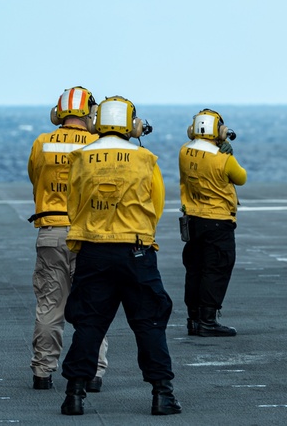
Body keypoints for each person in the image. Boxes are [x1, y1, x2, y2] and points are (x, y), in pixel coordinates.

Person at [59, 96, 181, 416]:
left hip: (93, 251)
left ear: (97, 122)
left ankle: (74, 393)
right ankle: (162, 394)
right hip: (136, 251)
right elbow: (156, 205)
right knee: (149, 323)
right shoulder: (145, 157)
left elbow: (73, 203)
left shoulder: (81, 157)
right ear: (132, 124)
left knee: (89, 324)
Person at [26, 86, 109, 392]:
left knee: (50, 305)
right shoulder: (97, 144)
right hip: (88, 235)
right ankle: (93, 373)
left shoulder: (42, 142)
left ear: (59, 113)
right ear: (90, 114)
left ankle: (42, 372)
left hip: (51, 233)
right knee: (93, 306)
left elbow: (35, 177)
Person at [178, 108, 247, 337]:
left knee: (195, 270)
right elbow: (241, 178)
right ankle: (208, 321)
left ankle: (194, 319)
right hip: (218, 221)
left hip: (194, 220)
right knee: (215, 269)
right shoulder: (223, 159)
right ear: (220, 131)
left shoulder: (184, 152)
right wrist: (226, 151)